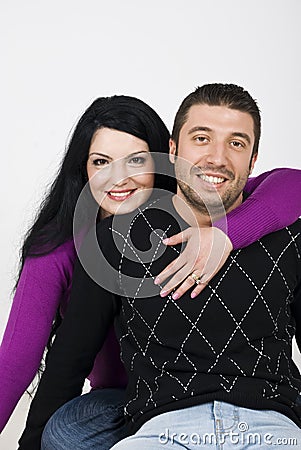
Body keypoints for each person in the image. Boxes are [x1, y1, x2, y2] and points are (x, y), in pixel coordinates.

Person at [3, 94, 299, 450]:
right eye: (101, 162)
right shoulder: (83, 247)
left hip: (259, 415)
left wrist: (226, 235)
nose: (119, 179)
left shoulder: (264, 221)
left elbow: (292, 183)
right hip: (148, 410)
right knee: (64, 431)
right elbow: (34, 360)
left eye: (136, 161)